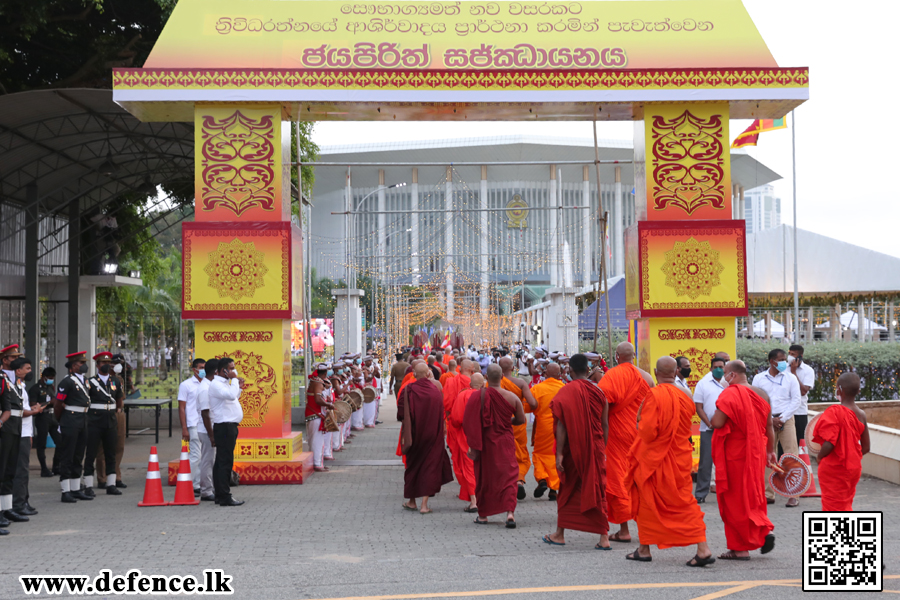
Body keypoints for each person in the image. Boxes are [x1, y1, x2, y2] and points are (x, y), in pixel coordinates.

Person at [625, 356, 714, 567]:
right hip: (679, 459)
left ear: (656, 373)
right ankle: (643, 548)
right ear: (675, 373)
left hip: (655, 461)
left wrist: (639, 422)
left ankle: (703, 549)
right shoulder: (685, 397)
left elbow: (647, 433)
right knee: (680, 500)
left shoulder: (653, 395)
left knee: (652, 501)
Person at [709, 360, 776, 560]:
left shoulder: (730, 393)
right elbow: (769, 425)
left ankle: (740, 548)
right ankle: (765, 530)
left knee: (735, 500)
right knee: (754, 495)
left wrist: (713, 417)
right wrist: (771, 451)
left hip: (736, 455)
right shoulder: (761, 394)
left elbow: (718, 422)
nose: (723, 377)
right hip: (756, 453)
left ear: (732, 375)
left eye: (725, 373)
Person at [542, 354, 610, 550]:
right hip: (595, 449)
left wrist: (559, 454)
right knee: (597, 488)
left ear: (569, 370)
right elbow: (605, 425)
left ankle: (559, 534)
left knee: (567, 489)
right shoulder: (599, 393)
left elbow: (561, 425)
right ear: (588, 371)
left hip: (572, 449)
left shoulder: (566, 392)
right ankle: (603, 538)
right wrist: (601, 449)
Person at [597, 342, 654, 544]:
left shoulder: (612, 375)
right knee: (636, 478)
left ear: (617, 356)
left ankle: (624, 530)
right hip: (638, 432)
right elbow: (651, 402)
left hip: (617, 433)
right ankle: (646, 527)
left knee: (619, 478)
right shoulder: (646, 377)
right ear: (633, 356)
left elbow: (601, 399)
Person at [463, 364, 525, 528]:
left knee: (485, 477)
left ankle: (483, 515)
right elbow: (521, 420)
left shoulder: (478, 396)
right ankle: (510, 513)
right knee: (509, 477)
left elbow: (468, 421)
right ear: (502, 377)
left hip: (485, 443)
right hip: (505, 441)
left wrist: (472, 443)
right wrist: (505, 422)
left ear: (486, 378)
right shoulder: (512, 397)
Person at [751, 348, 802, 507]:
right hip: (766, 421)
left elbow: (796, 400)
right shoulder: (759, 379)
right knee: (767, 456)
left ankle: (794, 495)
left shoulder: (790, 378)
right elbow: (754, 401)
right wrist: (770, 419)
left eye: (785, 359)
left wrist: (782, 418)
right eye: (781, 359)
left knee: (791, 457)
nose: (785, 362)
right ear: (772, 362)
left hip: (786, 420)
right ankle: (768, 494)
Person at [813, 372, 870, 511]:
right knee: (845, 503)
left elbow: (829, 443)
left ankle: (838, 531)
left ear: (839, 389)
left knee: (832, 507)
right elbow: (867, 447)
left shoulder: (834, 411)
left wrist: (820, 457)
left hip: (834, 468)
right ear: (858, 391)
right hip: (853, 469)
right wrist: (851, 457)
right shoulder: (861, 414)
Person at [401, 363, 454, 514]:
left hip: (414, 435)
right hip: (432, 435)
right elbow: (441, 413)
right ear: (428, 374)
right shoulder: (436, 390)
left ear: (414, 375)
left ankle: (412, 501)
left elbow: (401, 413)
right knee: (429, 467)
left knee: (413, 466)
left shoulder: (409, 390)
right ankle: (424, 505)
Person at [2, 355, 39, 526]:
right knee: (6, 472)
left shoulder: (15, 383)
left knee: (10, 472)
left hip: (17, 429)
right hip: (8, 430)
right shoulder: (5, 381)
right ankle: (9, 507)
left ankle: (8, 508)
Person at [54, 351, 93, 503]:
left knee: (78, 455)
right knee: (67, 455)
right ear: (72, 367)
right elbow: (58, 404)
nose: (84, 366)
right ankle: (65, 490)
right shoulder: (67, 382)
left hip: (83, 419)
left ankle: (76, 489)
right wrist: (61, 420)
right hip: (70, 419)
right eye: (80, 364)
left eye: (84, 363)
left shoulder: (85, 381)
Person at [82, 352, 122, 497]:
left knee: (110, 453)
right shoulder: (90, 382)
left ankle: (111, 484)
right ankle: (88, 485)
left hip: (110, 420)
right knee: (91, 453)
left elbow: (119, 399)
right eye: (103, 363)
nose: (106, 365)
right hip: (94, 421)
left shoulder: (115, 381)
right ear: (97, 365)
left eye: (108, 363)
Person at [498, 356, 537, 500]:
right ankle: (519, 480)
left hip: (500, 424)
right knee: (520, 452)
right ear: (513, 368)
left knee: (502, 453)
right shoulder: (520, 383)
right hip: (518, 423)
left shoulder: (493, 383)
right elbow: (533, 404)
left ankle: (505, 484)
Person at [209, 357, 245, 506]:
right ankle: (224, 496)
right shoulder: (216, 384)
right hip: (224, 426)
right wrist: (235, 380)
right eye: (231, 368)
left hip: (228, 425)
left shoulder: (223, 384)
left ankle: (220, 494)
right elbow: (230, 395)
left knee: (221, 461)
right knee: (225, 461)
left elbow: (233, 397)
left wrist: (239, 386)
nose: (234, 370)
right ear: (223, 370)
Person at [442, 359, 477, 511]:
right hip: (476, 429)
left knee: (461, 461)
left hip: (456, 426)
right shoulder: (478, 384)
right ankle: (470, 491)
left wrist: (449, 419)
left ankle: (471, 493)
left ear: (459, 368)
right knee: (471, 463)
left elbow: (447, 403)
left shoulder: (451, 382)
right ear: (473, 370)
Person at [693, 356, 728, 503]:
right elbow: (698, 407)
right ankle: (701, 493)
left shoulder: (729, 383)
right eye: (716, 367)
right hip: (708, 429)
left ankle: (728, 493)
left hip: (727, 429)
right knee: (705, 463)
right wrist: (708, 423)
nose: (719, 370)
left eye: (721, 367)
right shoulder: (703, 384)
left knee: (728, 461)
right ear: (711, 368)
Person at [528, 362, 564, 500]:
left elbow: (528, 406)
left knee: (539, 454)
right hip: (560, 428)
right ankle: (554, 489)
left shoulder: (538, 388)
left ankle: (542, 479)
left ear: (545, 373)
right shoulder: (564, 388)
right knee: (556, 454)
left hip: (542, 426)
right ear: (559, 374)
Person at [13, 360, 43, 518]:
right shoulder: (15, 386)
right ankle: (18, 503)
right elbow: (19, 411)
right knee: (21, 470)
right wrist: (34, 412)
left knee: (23, 470)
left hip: (25, 432)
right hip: (19, 432)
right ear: (18, 371)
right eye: (28, 368)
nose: (30, 371)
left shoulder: (21, 386)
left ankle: (23, 500)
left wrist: (32, 409)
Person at [450, 373, 482, 513]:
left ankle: (474, 501)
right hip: (486, 436)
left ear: (470, 384)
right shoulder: (488, 395)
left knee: (469, 467)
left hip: (466, 436)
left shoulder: (463, 395)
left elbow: (456, 419)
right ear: (483, 384)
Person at [96, 354, 127, 489]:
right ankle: (102, 478)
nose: (111, 365)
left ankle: (115, 476)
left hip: (118, 413)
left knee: (119, 445)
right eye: (107, 363)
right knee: (102, 448)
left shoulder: (118, 379)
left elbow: (121, 398)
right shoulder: (95, 381)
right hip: (103, 414)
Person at [178, 358, 206, 496]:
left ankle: (196, 485)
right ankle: (186, 483)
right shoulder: (186, 385)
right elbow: (182, 408)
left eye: (205, 367)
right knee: (195, 455)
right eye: (201, 368)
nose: (203, 370)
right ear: (194, 369)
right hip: (193, 424)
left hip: (205, 425)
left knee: (202, 456)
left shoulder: (208, 384)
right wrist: (184, 427)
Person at [29, 367, 60, 478]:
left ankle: (56, 466)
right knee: (41, 444)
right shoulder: (35, 389)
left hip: (52, 417)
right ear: (43, 377)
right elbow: (33, 405)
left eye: (53, 378)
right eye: (49, 378)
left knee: (60, 442)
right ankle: (44, 468)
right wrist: (48, 402)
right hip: (42, 417)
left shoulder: (51, 387)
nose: (51, 380)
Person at [305, 364, 336, 472]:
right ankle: (317, 464)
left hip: (315, 415)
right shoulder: (317, 383)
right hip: (315, 416)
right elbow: (318, 400)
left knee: (316, 441)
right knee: (317, 442)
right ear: (325, 373)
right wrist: (328, 405)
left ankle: (317, 463)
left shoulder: (315, 381)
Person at [195, 358, 218, 501]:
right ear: (216, 372)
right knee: (207, 461)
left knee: (211, 460)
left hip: (209, 429)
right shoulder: (204, 388)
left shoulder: (210, 386)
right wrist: (212, 435)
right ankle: (206, 490)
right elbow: (205, 413)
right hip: (206, 430)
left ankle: (210, 487)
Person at [788, 345, 815, 443]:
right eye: (789, 353)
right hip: (785, 412)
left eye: (793, 354)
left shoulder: (808, 371)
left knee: (800, 442)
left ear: (800, 356)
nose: (790, 356)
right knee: (784, 445)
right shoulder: (784, 368)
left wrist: (793, 373)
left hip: (799, 412)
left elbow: (803, 391)